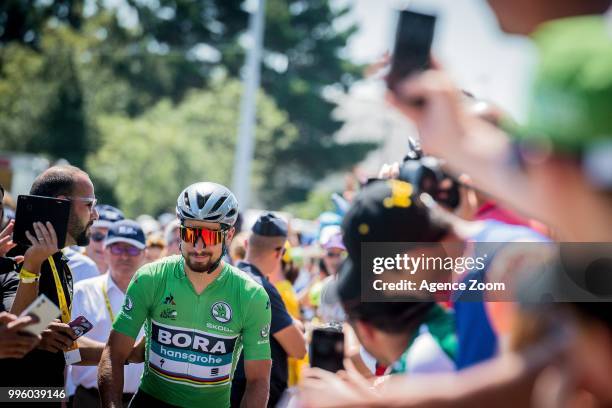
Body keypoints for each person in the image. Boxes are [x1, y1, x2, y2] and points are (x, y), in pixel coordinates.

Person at [98, 182, 272, 408]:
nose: (198, 247)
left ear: (228, 235)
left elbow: (258, 379)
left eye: (209, 236)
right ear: (180, 231)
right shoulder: (151, 278)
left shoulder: (252, 296)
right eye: (190, 233)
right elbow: (113, 354)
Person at [0, 165, 102, 392]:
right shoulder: (14, 255)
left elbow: (58, 346)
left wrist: (121, 354)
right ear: (62, 203)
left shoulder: (59, 263)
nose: (96, 214)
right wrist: (31, 268)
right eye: (90, 205)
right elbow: (18, 335)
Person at [231, 213, 307, 407]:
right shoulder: (262, 289)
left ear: (247, 244)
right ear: (279, 252)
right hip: (253, 396)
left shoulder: (225, 278)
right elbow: (298, 348)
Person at [70, 220, 147, 407]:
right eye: (117, 249)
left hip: (141, 400)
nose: (125, 256)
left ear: (144, 254)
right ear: (105, 251)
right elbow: (66, 350)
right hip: (88, 398)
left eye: (132, 250)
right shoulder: (82, 292)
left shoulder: (155, 295)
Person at [82, 205, 125, 275]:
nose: (103, 245)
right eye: (97, 236)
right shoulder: (68, 266)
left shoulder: (134, 278)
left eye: (111, 238)